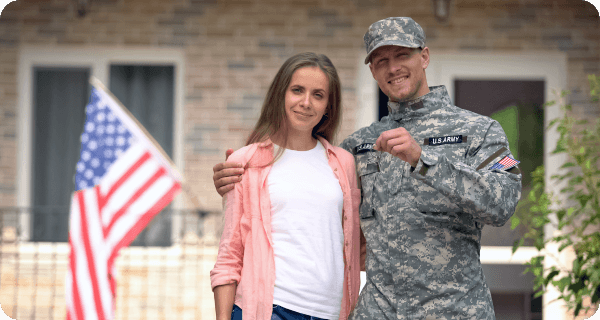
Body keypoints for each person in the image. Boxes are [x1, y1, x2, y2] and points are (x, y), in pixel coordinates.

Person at [213, 17, 522, 319]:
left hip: (455, 311)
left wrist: (424, 161)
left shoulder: (480, 130)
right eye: (380, 60)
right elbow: (308, 197)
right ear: (373, 71)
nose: (393, 67)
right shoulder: (357, 147)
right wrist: (235, 181)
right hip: (377, 311)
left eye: (402, 55)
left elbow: (502, 204)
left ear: (424, 56)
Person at [210, 52, 363, 320]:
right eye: (297, 90)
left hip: (331, 312)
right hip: (269, 310)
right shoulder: (246, 162)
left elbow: (352, 243)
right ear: (281, 94)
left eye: (318, 95)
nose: (306, 102)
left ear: (329, 105)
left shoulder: (344, 164)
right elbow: (229, 256)